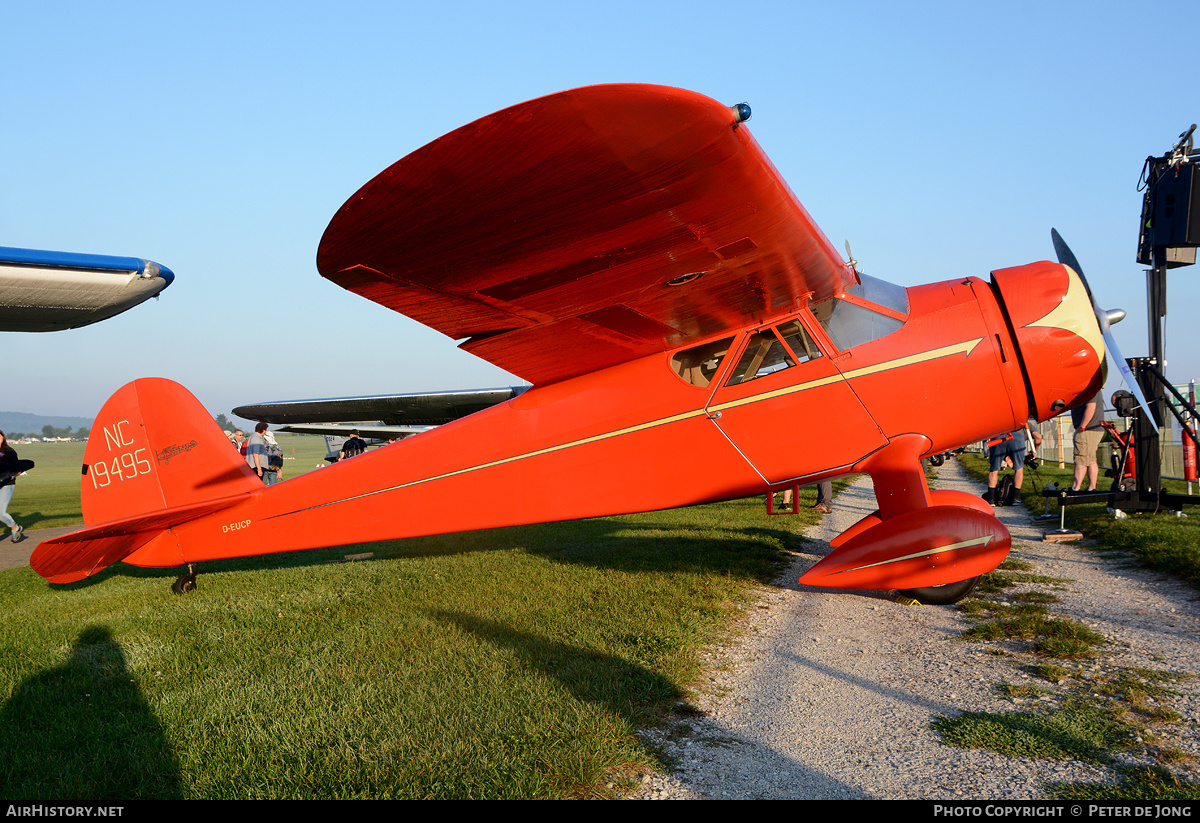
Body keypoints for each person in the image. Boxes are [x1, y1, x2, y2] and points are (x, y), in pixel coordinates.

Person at [1071, 390, 1105, 491]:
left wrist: (1082, 426)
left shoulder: (1091, 388)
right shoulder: (1095, 387)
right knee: (1091, 459)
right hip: (1094, 428)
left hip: (1087, 429)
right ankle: (1092, 488)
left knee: (1080, 458)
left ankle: (1075, 488)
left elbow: (1091, 407)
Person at [983, 428, 1026, 506]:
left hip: (998, 435)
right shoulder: (1025, 422)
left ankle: (991, 499)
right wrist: (1034, 450)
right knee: (1019, 468)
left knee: (994, 468)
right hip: (1017, 437)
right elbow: (1038, 437)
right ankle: (1016, 498)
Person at [0, 431, 25, 542]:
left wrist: (17, 470)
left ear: (3, 438)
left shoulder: (9, 451)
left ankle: (15, 527)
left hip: (6, 483)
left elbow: (15, 465)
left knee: (1, 513)